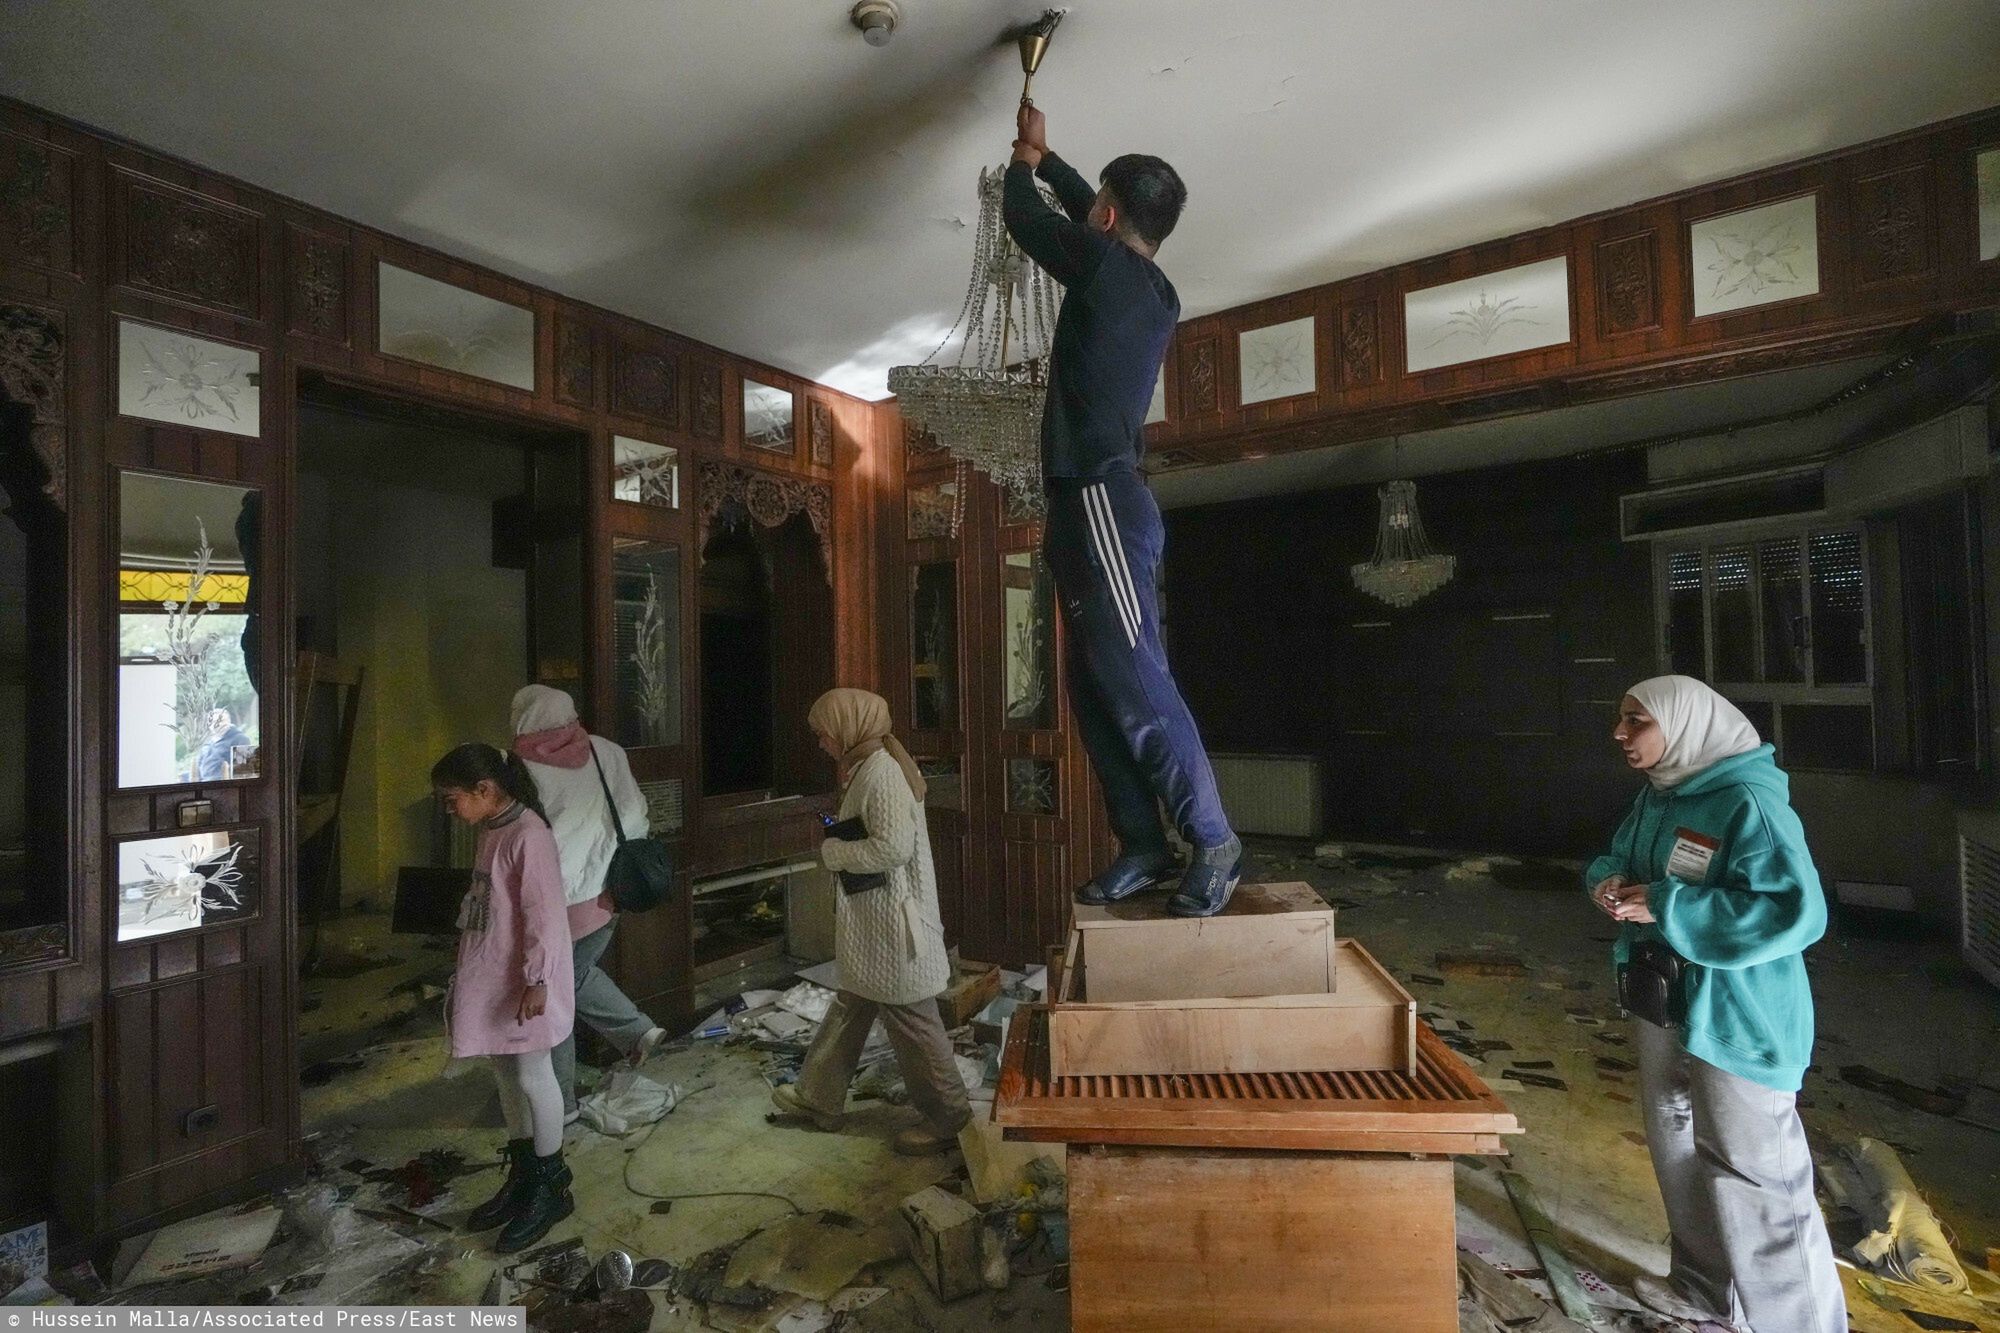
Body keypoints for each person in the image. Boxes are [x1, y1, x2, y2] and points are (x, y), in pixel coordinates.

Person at [1002, 102, 1241, 917]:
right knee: (1095, 689)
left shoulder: (1105, 269)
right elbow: (1087, 214)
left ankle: (1213, 838)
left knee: (1134, 680)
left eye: (1097, 206)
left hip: (1101, 499)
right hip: (1086, 508)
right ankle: (1143, 842)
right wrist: (1051, 158)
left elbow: (1026, 220)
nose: (1091, 214)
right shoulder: (1155, 289)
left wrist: (1024, 166)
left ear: (1106, 219)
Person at [1586, 676, 1845, 1332]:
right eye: (1621, 719)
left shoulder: (1747, 801)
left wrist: (1666, 903)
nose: (1620, 733)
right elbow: (1620, 855)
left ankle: (1804, 1325)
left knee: (1757, 1174)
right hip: (1665, 995)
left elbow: (1796, 912)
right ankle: (1704, 1290)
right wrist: (1608, 881)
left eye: (1636, 720)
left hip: (1736, 1011)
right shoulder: (1662, 791)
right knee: (1674, 1139)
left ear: (1685, 724)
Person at [769, 688, 970, 1156]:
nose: (821, 742)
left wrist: (834, 852)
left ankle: (950, 1120)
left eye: (823, 733)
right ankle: (819, 1098)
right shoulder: (868, 767)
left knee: (914, 1023)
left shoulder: (882, 774)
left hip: (896, 929)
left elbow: (893, 847)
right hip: (877, 930)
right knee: (851, 1005)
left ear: (848, 728)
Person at [431, 742, 577, 1254]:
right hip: (493, 974)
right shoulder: (493, 829)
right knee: (505, 1076)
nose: (450, 809)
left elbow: (544, 916)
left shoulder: (528, 835)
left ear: (485, 789)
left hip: (526, 981)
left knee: (534, 1076)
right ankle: (524, 1173)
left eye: (452, 799)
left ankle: (551, 1186)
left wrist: (538, 980)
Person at [510, 685, 667, 1122]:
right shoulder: (606, 750)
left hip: (554, 901)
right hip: (608, 893)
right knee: (572, 978)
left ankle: (560, 1104)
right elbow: (634, 813)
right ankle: (637, 1032)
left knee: (554, 996)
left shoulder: (516, 767)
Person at [195, 708, 252, 782]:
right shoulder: (206, 745)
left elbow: (243, 772)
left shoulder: (241, 739)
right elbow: (198, 771)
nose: (218, 724)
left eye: (221, 721)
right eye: (213, 722)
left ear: (229, 721)